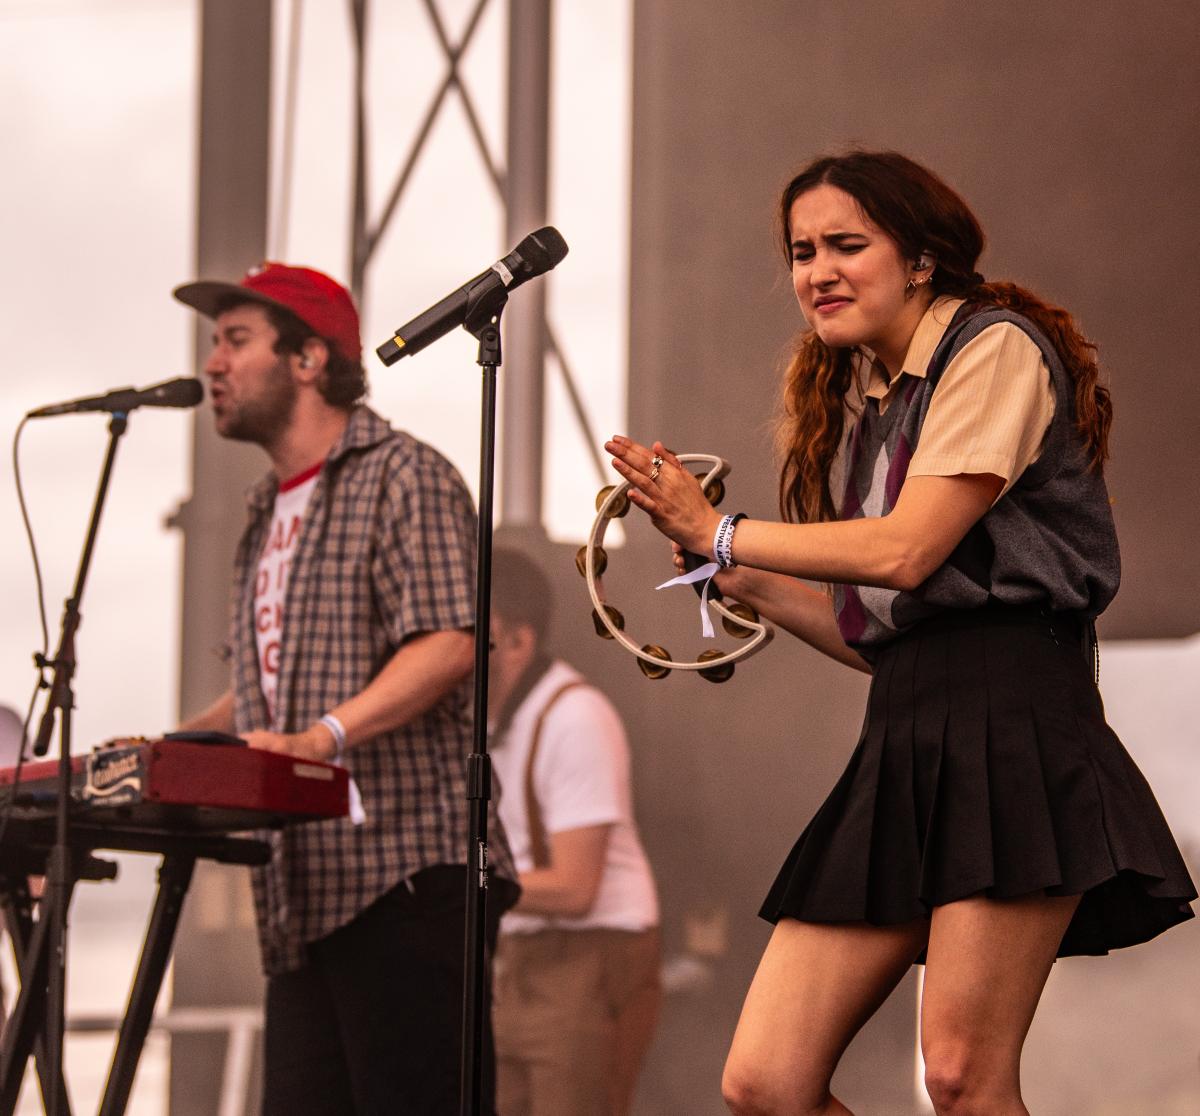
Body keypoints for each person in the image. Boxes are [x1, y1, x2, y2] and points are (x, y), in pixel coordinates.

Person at [605, 151, 1196, 1116]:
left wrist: (720, 530)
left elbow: (908, 552)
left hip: (1012, 727)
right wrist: (740, 574)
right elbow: (879, 636)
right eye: (803, 253)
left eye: (846, 244)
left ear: (921, 258)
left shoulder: (991, 348)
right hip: (910, 729)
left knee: (961, 1076)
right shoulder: (877, 407)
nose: (818, 272)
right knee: (767, 1083)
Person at [172, 261, 517, 1116]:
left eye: (236, 340)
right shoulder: (264, 509)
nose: (213, 363)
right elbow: (262, 695)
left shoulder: (404, 474)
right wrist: (168, 751)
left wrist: (318, 739)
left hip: (406, 875)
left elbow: (451, 642)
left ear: (309, 359)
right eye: (215, 343)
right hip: (306, 893)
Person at [487, 548, 660, 1116]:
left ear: (518, 641)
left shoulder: (575, 716)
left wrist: (460, 879)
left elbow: (574, 887)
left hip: (590, 959)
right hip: (520, 961)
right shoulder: (491, 722)